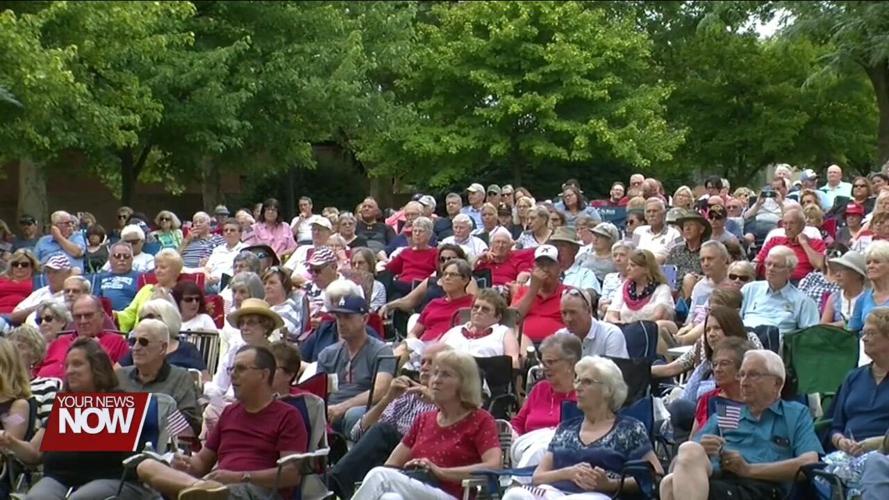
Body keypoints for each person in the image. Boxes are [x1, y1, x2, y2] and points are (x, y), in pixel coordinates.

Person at [135, 345, 308, 500]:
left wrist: (240, 477)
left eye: (240, 369)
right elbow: (201, 463)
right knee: (146, 466)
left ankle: (202, 491)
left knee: (224, 492)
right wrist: (185, 463)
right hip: (217, 486)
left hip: (259, 492)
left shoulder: (288, 416)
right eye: (232, 369)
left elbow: (291, 475)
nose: (232, 374)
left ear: (264, 374)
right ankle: (201, 489)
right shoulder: (230, 412)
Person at [0, 338, 154, 499]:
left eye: (77, 364)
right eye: (66, 366)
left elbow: (136, 457)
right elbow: (34, 454)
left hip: (110, 478)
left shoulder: (120, 403)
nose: (69, 371)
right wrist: (12, 442)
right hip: (60, 479)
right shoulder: (65, 407)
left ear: (97, 367)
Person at [659, 349, 822, 500]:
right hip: (722, 482)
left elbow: (809, 464)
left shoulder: (794, 414)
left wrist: (747, 470)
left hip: (763, 487)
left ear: (777, 384)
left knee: (671, 486)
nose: (743, 382)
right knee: (685, 456)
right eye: (741, 375)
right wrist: (703, 451)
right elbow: (677, 464)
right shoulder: (729, 414)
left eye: (753, 375)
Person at [503, 355, 662, 500]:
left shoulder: (629, 429)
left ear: (608, 390)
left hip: (599, 496)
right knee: (514, 494)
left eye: (587, 382)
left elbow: (655, 474)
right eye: (577, 380)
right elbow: (538, 477)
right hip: (555, 493)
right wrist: (568, 473)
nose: (577, 387)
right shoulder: (566, 429)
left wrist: (610, 484)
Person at [352, 350, 501, 500]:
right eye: (435, 373)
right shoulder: (424, 419)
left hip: (452, 494)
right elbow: (391, 465)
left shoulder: (480, 419)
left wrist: (440, 472)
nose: (436, 380)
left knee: (380, 476)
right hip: (418, 489)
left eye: (445, 375)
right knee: (390, 497)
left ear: (465, 383)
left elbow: (493, 466)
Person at [330, 344, 448, 499]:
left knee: (383, 431)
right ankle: (334, 484)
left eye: (431, 363)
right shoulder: (406, 396)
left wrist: (435, 399)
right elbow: (357, 433)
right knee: (380, 431)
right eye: (423, 362)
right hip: (389, 461)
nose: (424, 367)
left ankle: (332, 485)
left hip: (421, 462)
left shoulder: (450, 402)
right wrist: (388, 398)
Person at [317, 294, 396, 434]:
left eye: (347, 317)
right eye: (338, 317)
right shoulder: (327, 354)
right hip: (331, 409)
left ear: (365, 319)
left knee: (353, 415)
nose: (341, 323)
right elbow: (320, 392)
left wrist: (342, 407)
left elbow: (379, 391)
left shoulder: (381, 351)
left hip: (365, 408)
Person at [116, 319, 201, 435]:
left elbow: (191, 427)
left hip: (161, 448)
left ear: (162, 348)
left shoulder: (181, 378)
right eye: (132, 341)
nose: (135, 348)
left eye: (143, 342)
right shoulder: (119, 376)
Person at [510, 333, 580, 469]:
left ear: (571, 364)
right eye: (543, 362)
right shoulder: (540, 389)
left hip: (562, 459)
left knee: (543, 447)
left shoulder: (584, 393)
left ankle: (518, 483)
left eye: (551, 362)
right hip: (525, 448)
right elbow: (518, 423)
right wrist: (512, 433)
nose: (544, 367)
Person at [35, 295, 129, 379]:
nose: (83, 321)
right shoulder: (59, 341)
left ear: (102, 316)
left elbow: (123, 379)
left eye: (88, 315)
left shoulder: (117, 341)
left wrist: (100, 352)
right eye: (78, 316)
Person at [740, 245, 820, 334]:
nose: (770, 269)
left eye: (776, 266)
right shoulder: (750, 289)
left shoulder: (803, 301)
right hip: (743, 337)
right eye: (768, 264)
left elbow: (810, 334)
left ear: (790, 271)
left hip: (773, 343)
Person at [118, 298, 206, 374]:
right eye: (142, 319)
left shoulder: (187, 349)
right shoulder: (138, 346)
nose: (145, 322)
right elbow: (115, 375)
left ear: (168, 318)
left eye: (150, 317)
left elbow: (204, 380)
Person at [439, 288, 520, 367]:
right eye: (476, 307)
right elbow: (435, 353)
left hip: (482, 375)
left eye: (485, 309)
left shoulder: (503, 332)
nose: (478, 311)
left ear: (498, 317)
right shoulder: (455, 330)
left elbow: (513, 361)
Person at [690, 338, 752, 437]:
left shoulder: (755, 401)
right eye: (715, 364)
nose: (717, 369)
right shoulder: (707, 399)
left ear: (741, 369)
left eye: (724, 364)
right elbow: (694, 440)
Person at [512, 245, 570, 344]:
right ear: (533, 269)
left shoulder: (568, 293)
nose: (545, 269)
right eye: (540, 265)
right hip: (524, 344)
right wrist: (533, 290)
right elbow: (512, 319)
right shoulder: (523, 291)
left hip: (558, 345)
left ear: (560, 268)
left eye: (550, 265)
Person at [117, 248, 184, 332]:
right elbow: (130, 314)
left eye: (163, 267)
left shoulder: (182, 291)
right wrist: (114, 315)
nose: (158, 271)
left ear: (176, 270)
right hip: (139, 334)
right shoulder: (147, 289)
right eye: (156, 267)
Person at [604, 249, 673, 325]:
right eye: (628, 265)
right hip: (624, 328)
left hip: (649, 330)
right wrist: (621, 324)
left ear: (646, 269)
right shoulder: (625, 287)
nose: (628, 268)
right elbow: (611, 314)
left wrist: (636, 328)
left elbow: (658, 315)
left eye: (632, 265)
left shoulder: (662, 289)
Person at [557, 288, 627, 358]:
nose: (568, 318)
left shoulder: (610, 335)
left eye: (573, 312)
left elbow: (616, 368)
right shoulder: (560, 337)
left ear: (589, 310)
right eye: (564, 313)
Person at [384, 215, 438, 295]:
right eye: (414, 231)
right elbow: (390, 268)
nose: (417, 234)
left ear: (429, 234)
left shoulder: (435, 253)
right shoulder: (406, 252)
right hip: (401, 285)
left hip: (421, 287)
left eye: (421, 231)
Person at [846, 241, 889, 334]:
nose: (870, 266)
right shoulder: (862, 299)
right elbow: (852, 332)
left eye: (876, 262)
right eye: (868, 263)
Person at [668, 210, 711, 295]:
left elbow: (713, 276)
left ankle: (686, 307)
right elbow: (668, 275)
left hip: (699, 291)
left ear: (701, 229)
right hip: (675, 291)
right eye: (685, 226)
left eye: (691, 225)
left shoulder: (708, 251)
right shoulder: (675, 251)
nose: (687, 228)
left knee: (689, 279)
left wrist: (700, 278)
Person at [822, 250, 868, 327]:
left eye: (843, 270)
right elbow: (822, 327)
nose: (837, 274)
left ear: (858, 274)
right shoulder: (834, 298)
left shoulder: (869, 297)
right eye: (837, 270)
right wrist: (843, 324)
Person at [549, 227, 601, 293]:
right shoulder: (544, 273)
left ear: (575, 250)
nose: (558, 249)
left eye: (562, 245)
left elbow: (590, 297)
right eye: (555, 245)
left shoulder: (585, 274)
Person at [262, 266, 306, 341]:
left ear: (284, 286)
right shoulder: (266, 308)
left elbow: (277, 339)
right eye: (265, 283)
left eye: (272, 283)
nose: (267, 286)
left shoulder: (288, 310)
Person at [94, 241, 141, 311]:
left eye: (126, 256)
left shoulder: (140, 277)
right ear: (109, 259)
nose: (122, 259)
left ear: (132, 259)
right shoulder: (99, 277)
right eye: (117, 255)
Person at [633, 198, 682, 264]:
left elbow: (678, 257)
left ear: (664, 214)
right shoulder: (638, 231)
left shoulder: (674, 234)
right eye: (648, 211)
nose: (651, 214)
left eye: (655, 211)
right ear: (645, 216)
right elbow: (630, 253)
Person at [203, 218, 245, 289]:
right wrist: (208, 277)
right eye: (226, 230)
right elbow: (207, 269)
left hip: (231, 285)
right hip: (210, 284)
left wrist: (218, 279)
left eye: (232, 230)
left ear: (240, 234)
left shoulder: (244, 249)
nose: (228, 232)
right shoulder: (218, 249)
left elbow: (242, 273)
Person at [348, 247, 387, 311]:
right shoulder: (346, 285)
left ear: (370, 264)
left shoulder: (379, 287)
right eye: (353, 264)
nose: (356, 266)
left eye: (360, 263)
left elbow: (378, 310)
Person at [0, 248, 37, 315]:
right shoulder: (2, 279)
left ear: (32, 266)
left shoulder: (37, 281)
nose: (19, 267)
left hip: (21, 315)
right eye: (15, 264)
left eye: (24, 264)